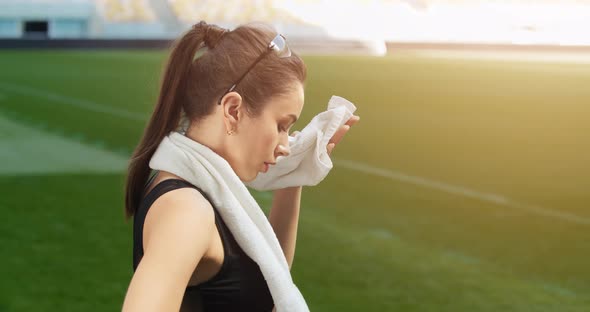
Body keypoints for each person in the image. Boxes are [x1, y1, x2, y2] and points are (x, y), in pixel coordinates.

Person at [121, 21, 360, 311]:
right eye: (282, 125)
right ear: (233, 110)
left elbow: (268, 282)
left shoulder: (194, 191)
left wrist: (292, 178)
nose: (285, 145)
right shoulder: (187, 210)